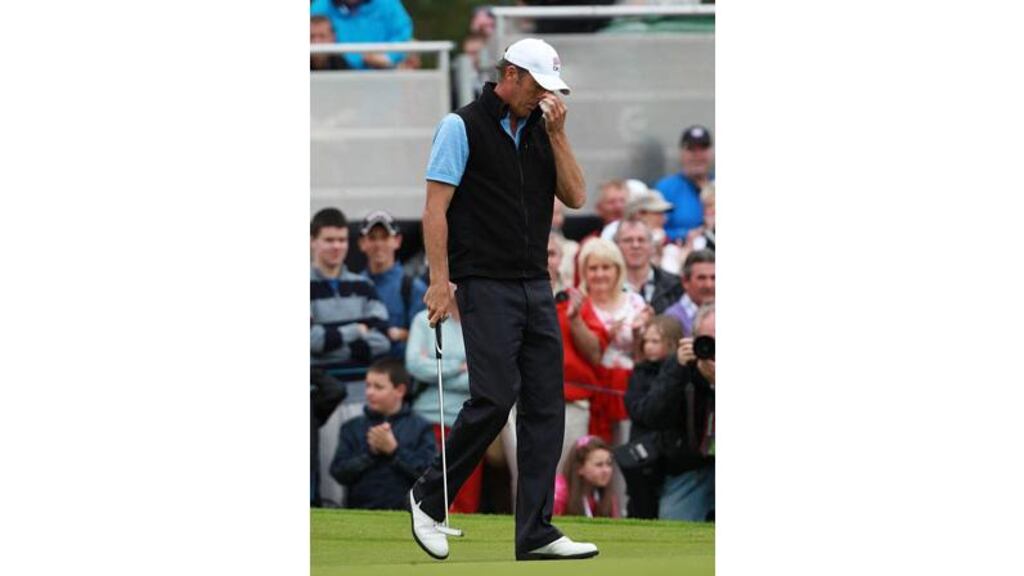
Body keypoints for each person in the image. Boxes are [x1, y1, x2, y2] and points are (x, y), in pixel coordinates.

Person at [409, 38, 598, 561]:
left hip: (535, 283)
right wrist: (439, 281)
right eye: (537, 85)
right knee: (494, 398)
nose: (544, 97)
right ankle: (428, 496)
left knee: (544, 406)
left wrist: (559, 136)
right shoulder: (460, 126)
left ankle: (535, 531)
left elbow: (578, 196)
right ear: (510, 75)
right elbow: (435, 210)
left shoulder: (543, 128)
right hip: (483, 282)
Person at [310, 207, 391, 506]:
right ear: (312, 241)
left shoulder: (363, 285)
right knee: (329, 484)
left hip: (362, 397)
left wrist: (330, 338)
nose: (336, 247)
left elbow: (382, 340)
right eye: (329, 239)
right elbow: (309, 341)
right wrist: (356, 331)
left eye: (342, 240)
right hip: (323, 400)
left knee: (362, 478)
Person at [627, 304, 715, 522]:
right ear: (693, 339)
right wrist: (678, 371)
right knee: (673, 528)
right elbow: (652, 416)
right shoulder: (679, 365)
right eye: (708, 340)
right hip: (689, 468)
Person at [405, 305, 484, 513]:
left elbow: (484, 377)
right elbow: (414, 365)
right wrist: (458, 367)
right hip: (429, 419)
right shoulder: (423, 320)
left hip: (471, 422)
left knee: (465, 498)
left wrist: (436, 372)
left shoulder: (482, 321)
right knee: (429, 495)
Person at [329, 358, 437, 510]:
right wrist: (370, 454)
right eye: (367, 386)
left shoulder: (421, 427)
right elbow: (339, 472)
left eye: (378, 387)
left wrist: (394, 451)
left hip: (406, 513)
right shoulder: (352, 427)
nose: (369, 392)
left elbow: (429, 475)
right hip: (359, 513)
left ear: (399, 390)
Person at [621, 314, 684, 519]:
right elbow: (640, 410)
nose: (648, 346)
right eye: (646, 341)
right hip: (643, 454)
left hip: (671, 456)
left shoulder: (683, 372)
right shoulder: (640, 372)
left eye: (655, 341)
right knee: (640, 506)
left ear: (672, 343)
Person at [357, 210, 427, 360]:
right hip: (358, 374)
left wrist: (403, 334)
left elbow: (427, 340)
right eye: (372, 238)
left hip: (398, 376)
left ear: (397, 241)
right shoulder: (353, 286)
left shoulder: (414, 288)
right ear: (362, 243)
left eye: (385, 237)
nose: (378, 244)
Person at [309, 0, 413, 69]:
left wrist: (388, 57)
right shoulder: (320, 7)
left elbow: (402, 34)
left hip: (381, 76)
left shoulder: (388, 4)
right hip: (334, 76)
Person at [655, 125, 715, 242]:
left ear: (711, 152)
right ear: (681, 153)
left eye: (703, 149)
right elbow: (654, 230)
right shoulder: (665, 189)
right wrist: (685, 234)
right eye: (691, 149)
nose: (698, 155)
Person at [614, 218, 683, 314]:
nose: (635, 245)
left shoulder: (675, 285)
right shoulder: (608, 286)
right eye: (628, 240)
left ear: (652, 246)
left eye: (641, 240)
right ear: (616, 246)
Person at [553, 435, 620, 518]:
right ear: (579, 467)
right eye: (599, 465)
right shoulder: (559, 492)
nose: (606, 470)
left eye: (609, 464)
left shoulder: (606, 496)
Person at [664, 249, 715, 337]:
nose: (709, 285)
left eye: (713, 278)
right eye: (701, 278)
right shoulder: (671, 319)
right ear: (685, 282)